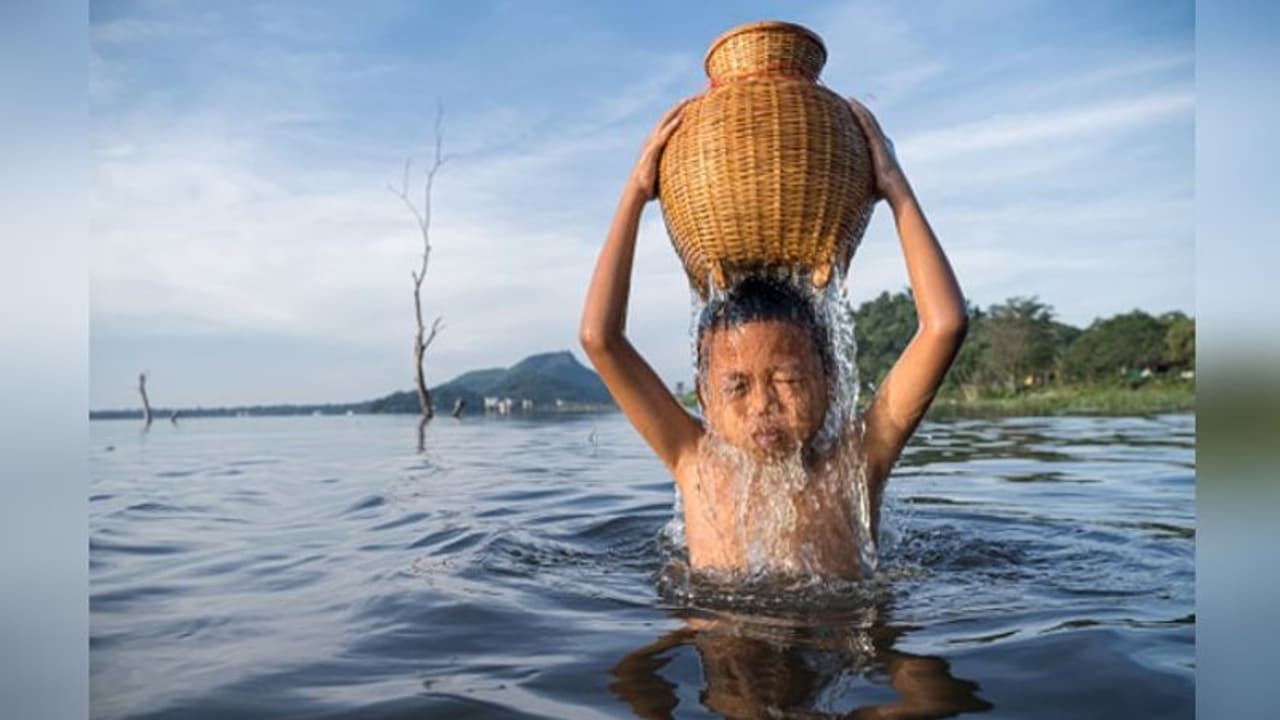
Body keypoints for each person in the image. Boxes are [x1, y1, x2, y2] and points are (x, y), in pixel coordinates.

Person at [580, 97, 966, 581]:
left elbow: (945, 325)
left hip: (837, 644)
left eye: (786, 379)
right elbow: (600, 338)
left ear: (830, 380)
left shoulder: (856, 463)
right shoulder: (694, 460)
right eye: (737, 386)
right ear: (705, 394)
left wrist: (895, 188)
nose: (763, 404)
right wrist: (636, 192)